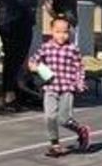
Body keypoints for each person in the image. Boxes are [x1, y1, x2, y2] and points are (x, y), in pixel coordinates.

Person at [27, 17, 90, 158]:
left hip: (67, 88)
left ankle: (81, 130)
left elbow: (80, 68)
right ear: (51, 32)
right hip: (50, 87)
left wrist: (80, 82)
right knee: (50, 116)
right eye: (58, 32)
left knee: (64, 119)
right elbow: (33, 61)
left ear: (70, 32)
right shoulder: (46, 47)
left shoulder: (72, 49)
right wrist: (34, 67)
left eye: (65, 32)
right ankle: (55, 145)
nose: (62, 35)